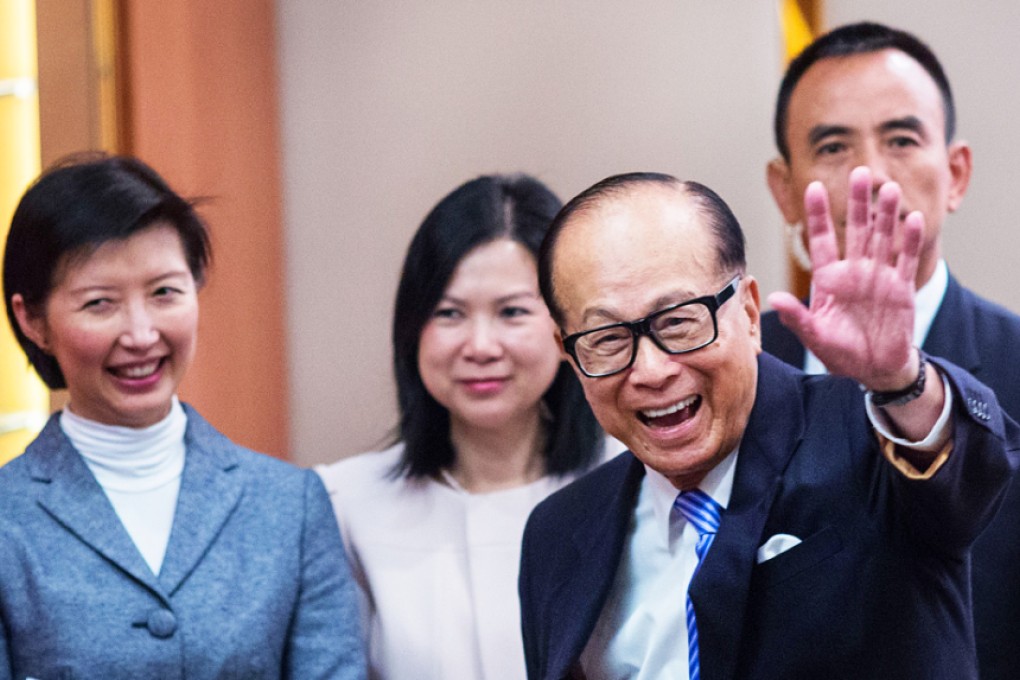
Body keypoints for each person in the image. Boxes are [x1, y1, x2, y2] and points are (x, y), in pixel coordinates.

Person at [518, 170, 1019, 679]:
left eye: (678, 321)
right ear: (568, 352)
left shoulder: (863, 437)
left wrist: (901, 381)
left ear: (750, 313)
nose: (650, 371)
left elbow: (969, 476)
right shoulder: (557, 533)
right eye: (607, 338)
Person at [0, 155, 366, 679]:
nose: (141, 334)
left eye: (164, 292)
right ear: (33, 320)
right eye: (100, 303)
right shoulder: (8, 521)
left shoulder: (291, 507)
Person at [761, 22, 1020, 678]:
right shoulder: (732, 366)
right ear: (784, 191)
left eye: (901, 140)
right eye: (832, 145)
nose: (869, 175)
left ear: (956, 173)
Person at [316, 174, 605, 679]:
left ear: (567, 327)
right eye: (449, 313)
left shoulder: (634, 484)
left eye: (512, 312)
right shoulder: (342, 504)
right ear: (411, 330)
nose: (480, 346)